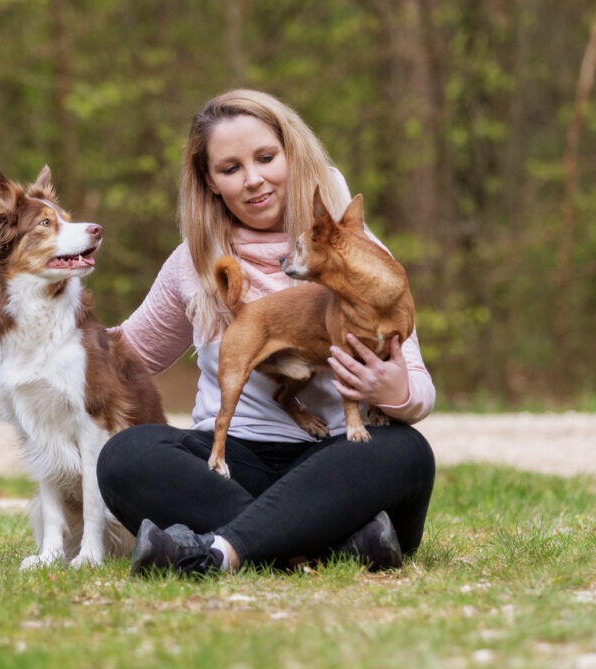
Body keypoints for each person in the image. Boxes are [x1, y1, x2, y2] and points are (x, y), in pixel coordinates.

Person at [96, 89, 436, 576]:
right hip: (233, 468)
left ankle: (218, 551)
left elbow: (421, 390)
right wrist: (47, 314)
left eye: (265, 157)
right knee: (127, 456)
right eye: (230, 168)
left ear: (291, 156)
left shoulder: (361, 254)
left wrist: (395, 391)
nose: (253, 180)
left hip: (338, 462)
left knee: (405, 452)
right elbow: (125, 360)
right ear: (210, 182)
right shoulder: (193, 263)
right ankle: (331, 545)